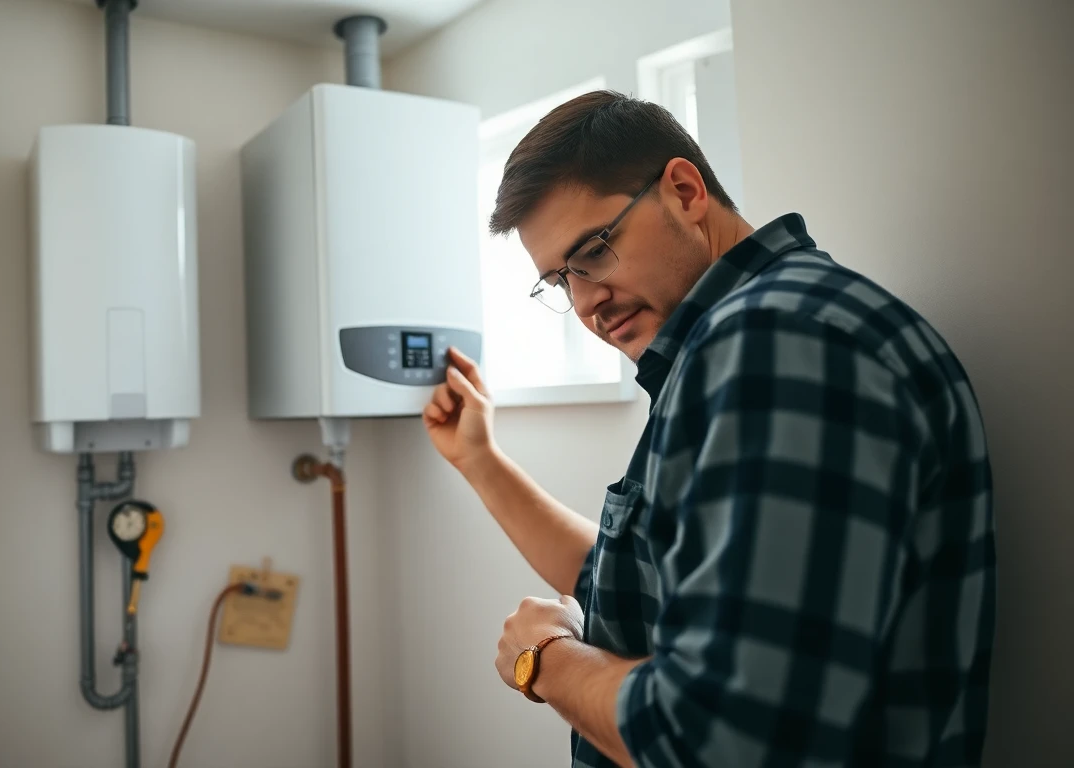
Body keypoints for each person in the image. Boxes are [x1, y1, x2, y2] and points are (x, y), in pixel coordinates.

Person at [423, 90, 995, 767]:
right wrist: (480, 460)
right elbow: (637, 583)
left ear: (686, 191)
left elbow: (722, 740)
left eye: (595, 251)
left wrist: (544, 660)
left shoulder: (779, 345)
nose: (585, 304)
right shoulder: (750, 339)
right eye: (559, 280)